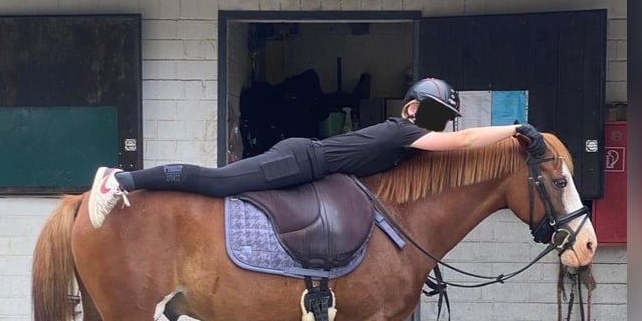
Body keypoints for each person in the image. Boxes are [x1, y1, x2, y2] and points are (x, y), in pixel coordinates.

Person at [87, 78, 545, 228]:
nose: (442, 126)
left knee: (216, 182)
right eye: (437, 116)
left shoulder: (411, 143)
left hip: (309, 168)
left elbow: (455, 154)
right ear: (412, 109)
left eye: (445, 120)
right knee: (213, 181)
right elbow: (464, 143)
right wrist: (514, 129)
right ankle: (121, 180)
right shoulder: (404, 133)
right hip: (299, 161)